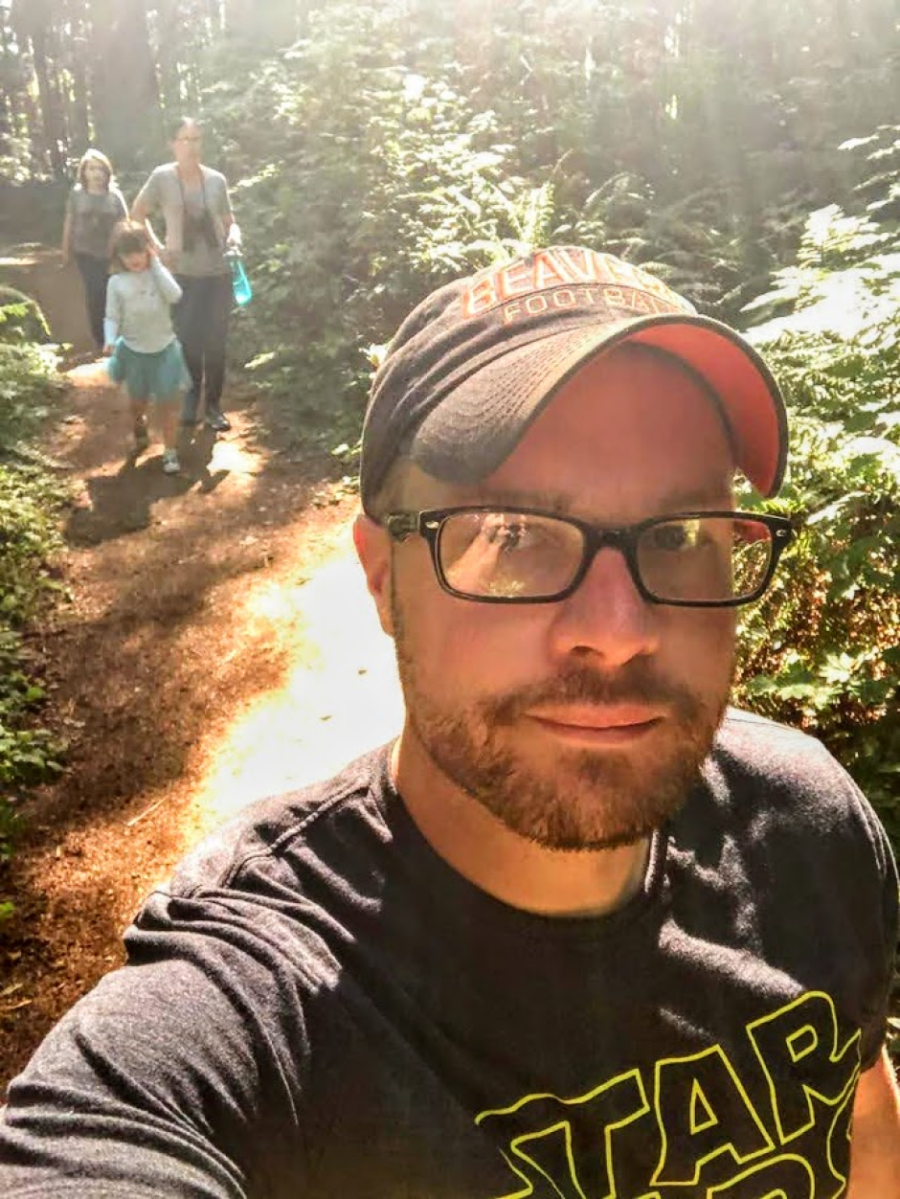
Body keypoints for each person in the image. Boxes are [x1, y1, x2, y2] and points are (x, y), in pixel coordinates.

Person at [1, 246, 898, 1196]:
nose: (619, 632)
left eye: (678, 537)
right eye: (511, 535)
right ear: (385, 576)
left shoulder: (806, 829)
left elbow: (864, 1113)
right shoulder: (257, 1011)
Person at [131, 116, 241, 433]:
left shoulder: (217, 180)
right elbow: (137, 214)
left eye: (196, 139)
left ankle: (214, 406)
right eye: (184, 139)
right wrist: (156, 249)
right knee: (189, 340)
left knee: (216, 342)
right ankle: (192, 397)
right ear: (172, 143)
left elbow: (230, 220)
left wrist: (235, 236)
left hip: (219, 271)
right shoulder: (162, 178)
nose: (191, 146)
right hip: (183, 275)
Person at [103, 220, 190, 475]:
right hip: (134, 352)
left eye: (139, 251)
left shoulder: (158, 275)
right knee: (138, 401)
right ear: (118, 255)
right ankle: (138, 422)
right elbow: (112, 316)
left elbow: (175, 296)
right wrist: (109, 339)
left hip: (165, 349)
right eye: (127, 253)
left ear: (148, 250)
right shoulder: (116, 282)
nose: (134, 259)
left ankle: (170, 451)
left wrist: (157, 265)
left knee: (169, 403)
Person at [60, 148, 128, 350]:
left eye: (101, 169)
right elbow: (69, 221)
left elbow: (125, 223)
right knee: (95, 293)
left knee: (113, 293)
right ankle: (101, 340)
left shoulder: (115, 196)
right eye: (91, 169)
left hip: (111, 254)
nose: (96, 173)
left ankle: (117, 336)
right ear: (84, 172)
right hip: (85, 253)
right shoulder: (76, 195)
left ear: (107, 173)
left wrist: (128, 250)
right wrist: (65, 248)